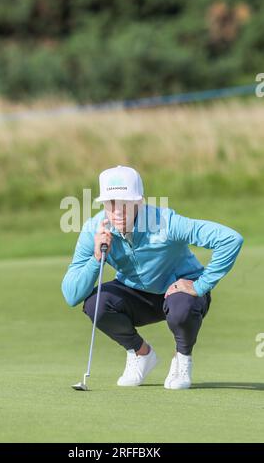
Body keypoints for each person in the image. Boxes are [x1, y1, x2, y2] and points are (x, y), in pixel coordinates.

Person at [62, 165, 243, 389]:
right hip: (138, 295)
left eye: (125, 203)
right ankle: (140, 353)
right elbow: (71, 295)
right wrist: (96, 258)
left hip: (181, 292)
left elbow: (230, 239)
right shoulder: (95, 230)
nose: (117, 211)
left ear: (139, 202)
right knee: (95, 303)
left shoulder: (167, 222)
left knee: (182, 307)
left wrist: (200, 285)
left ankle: (182, 358)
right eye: (110, 203)